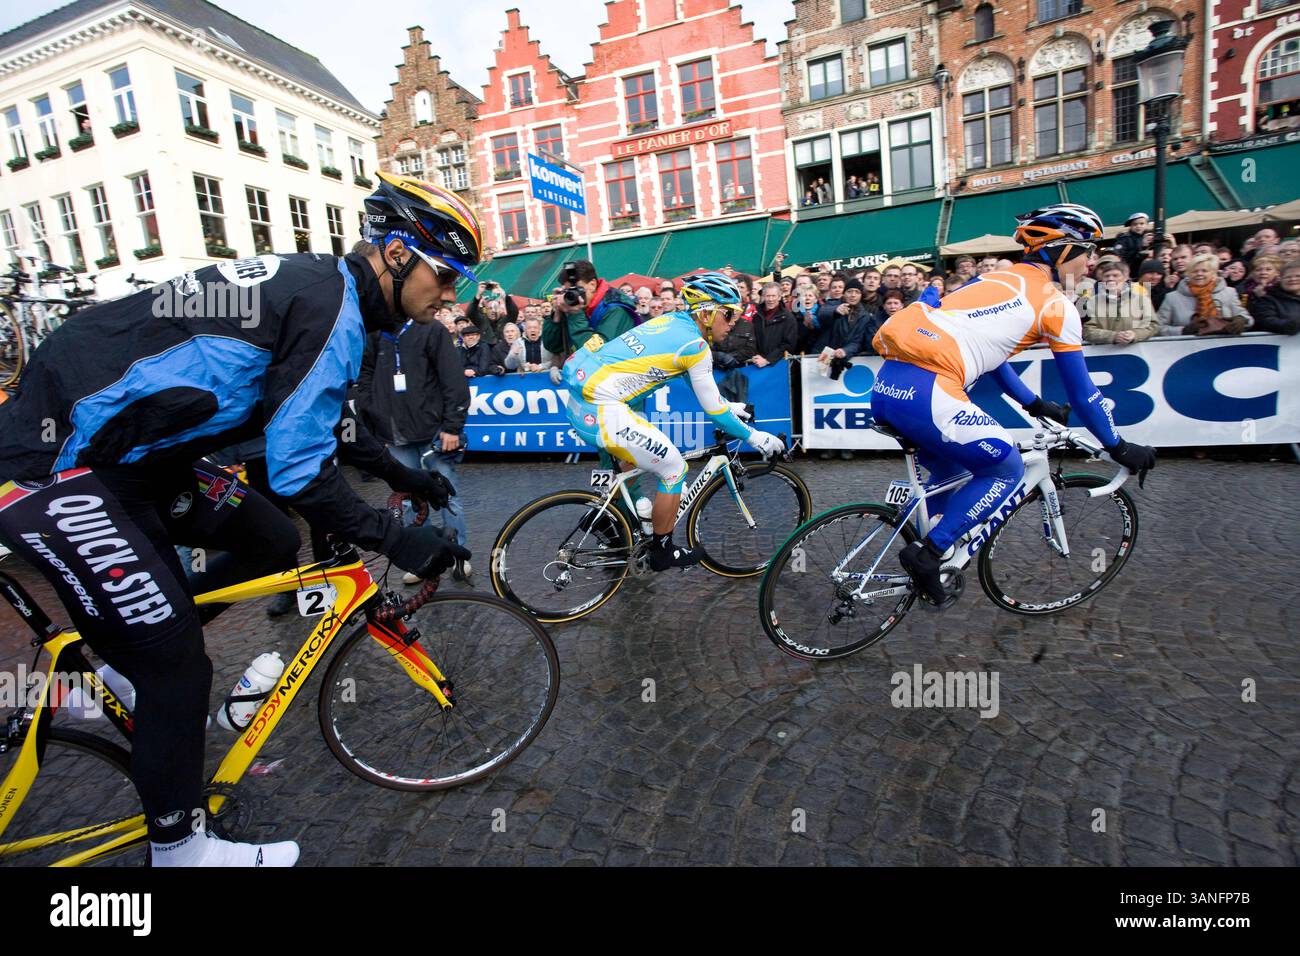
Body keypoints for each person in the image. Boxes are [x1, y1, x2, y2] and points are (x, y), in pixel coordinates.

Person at [0, 171, 476, 866]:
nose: (450, 296)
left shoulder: (327, 290)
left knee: (270, 536)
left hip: (133, 459)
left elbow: (323, 420)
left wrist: (404, 474)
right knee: (180, 674)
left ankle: (133, 658)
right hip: (58, 467)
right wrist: (396, 536)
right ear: (398, 253)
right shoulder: (332, 308)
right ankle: (180, 849)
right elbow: (296, 471)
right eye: (445, 274)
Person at [870, 202, 1156, 611]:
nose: (1093, 262)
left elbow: (994, 354)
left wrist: (1034, 402)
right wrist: (1118, 446)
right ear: (1062, 252)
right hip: (932, 392)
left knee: (957, 472)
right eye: (1089, 250)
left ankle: (925, 541)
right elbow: (1084, 392)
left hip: (888, 387)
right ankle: (927, 556)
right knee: (1006, 468)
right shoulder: (1057, 306)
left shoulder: (995, 281)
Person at [562, 272, 784, 571]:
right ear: (706, 313)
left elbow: (698, 384)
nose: (734, 321)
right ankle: (662, 552)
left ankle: (607, 515)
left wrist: (727, 404)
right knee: (674, 467)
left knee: (640, 453)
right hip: (602, 409)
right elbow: (713, 410)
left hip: (582, 401)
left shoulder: (672, 321)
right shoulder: (695, 346)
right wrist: (757, 438)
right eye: (729, 313)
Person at [355, 289, 471, 583]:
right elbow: (364, 377)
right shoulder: (373, 335)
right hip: (395, 436)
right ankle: (421, 558)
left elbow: (453, 380)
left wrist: (452, 427)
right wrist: (374, 418)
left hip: (433, 432)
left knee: (447, 496)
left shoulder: (431, 330)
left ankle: (458, 554)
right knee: (407, 501)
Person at [1157, 253, 1253, 337]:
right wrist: (1183, 330)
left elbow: (1248, 319)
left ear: (1213, 273)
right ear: (1188, 274)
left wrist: (1242, 320)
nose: (1199, 274)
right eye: (1194, 271)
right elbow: (1158, 327)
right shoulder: (1172, 298)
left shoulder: (1229, 292)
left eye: (1204, 271)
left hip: (1224, 347)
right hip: (1186, 350)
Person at [1082, 260, 1157, 345]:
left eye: (1115, 275)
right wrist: (1113, 336)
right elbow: (1087, 330)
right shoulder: (1091, 302)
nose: (1110, 278)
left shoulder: (1142, 299)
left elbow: (1152, 325)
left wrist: (1135, 335)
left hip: (1136, 353)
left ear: (1125, 278)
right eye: (1107, 276)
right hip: (1103, 354)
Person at [752, 281, 798, 367]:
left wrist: (768, 360)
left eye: (773, 296)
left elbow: (788, 344)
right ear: (763, 297)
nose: (770, 299)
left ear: (779, 297)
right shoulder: (756, 316)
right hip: (757, 363)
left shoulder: (788, 318)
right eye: (768, 296)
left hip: (779, 365)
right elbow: (752, 339)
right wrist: (756, 356)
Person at [1250, 261, 1300, 335]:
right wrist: (1292, 326)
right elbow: (1266, 321)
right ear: (1280, 279)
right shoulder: (1268, 300)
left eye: (1298, 276)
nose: (1292, 279)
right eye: (1288, 277)